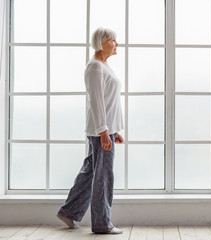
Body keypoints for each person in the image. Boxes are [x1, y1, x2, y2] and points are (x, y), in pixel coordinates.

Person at [56, 27, 124, 234]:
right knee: (103, 175)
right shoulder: (95, 67)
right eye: (113, 40)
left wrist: (113, 130)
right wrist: (104, 131)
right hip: (100, 130)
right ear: (101, 42)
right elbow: (96, 101)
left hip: (105, 129)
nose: (116, 44)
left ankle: (69, 212)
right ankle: (102, 223)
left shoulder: (103, 66)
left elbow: (109, 101)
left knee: (90, 171)